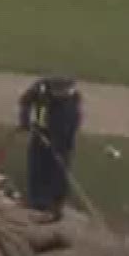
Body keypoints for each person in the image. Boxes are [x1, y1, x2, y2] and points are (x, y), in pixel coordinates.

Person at [18, 76, 81, 218]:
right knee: (36, 166)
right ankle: (36, 201)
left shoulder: (71, 106)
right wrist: (24, 118)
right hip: (40, 133)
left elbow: (67, 131)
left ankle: (56, 203)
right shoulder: (41, 88)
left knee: (58, 170)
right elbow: (26, 100)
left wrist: (55, 145)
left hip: (61, 141)